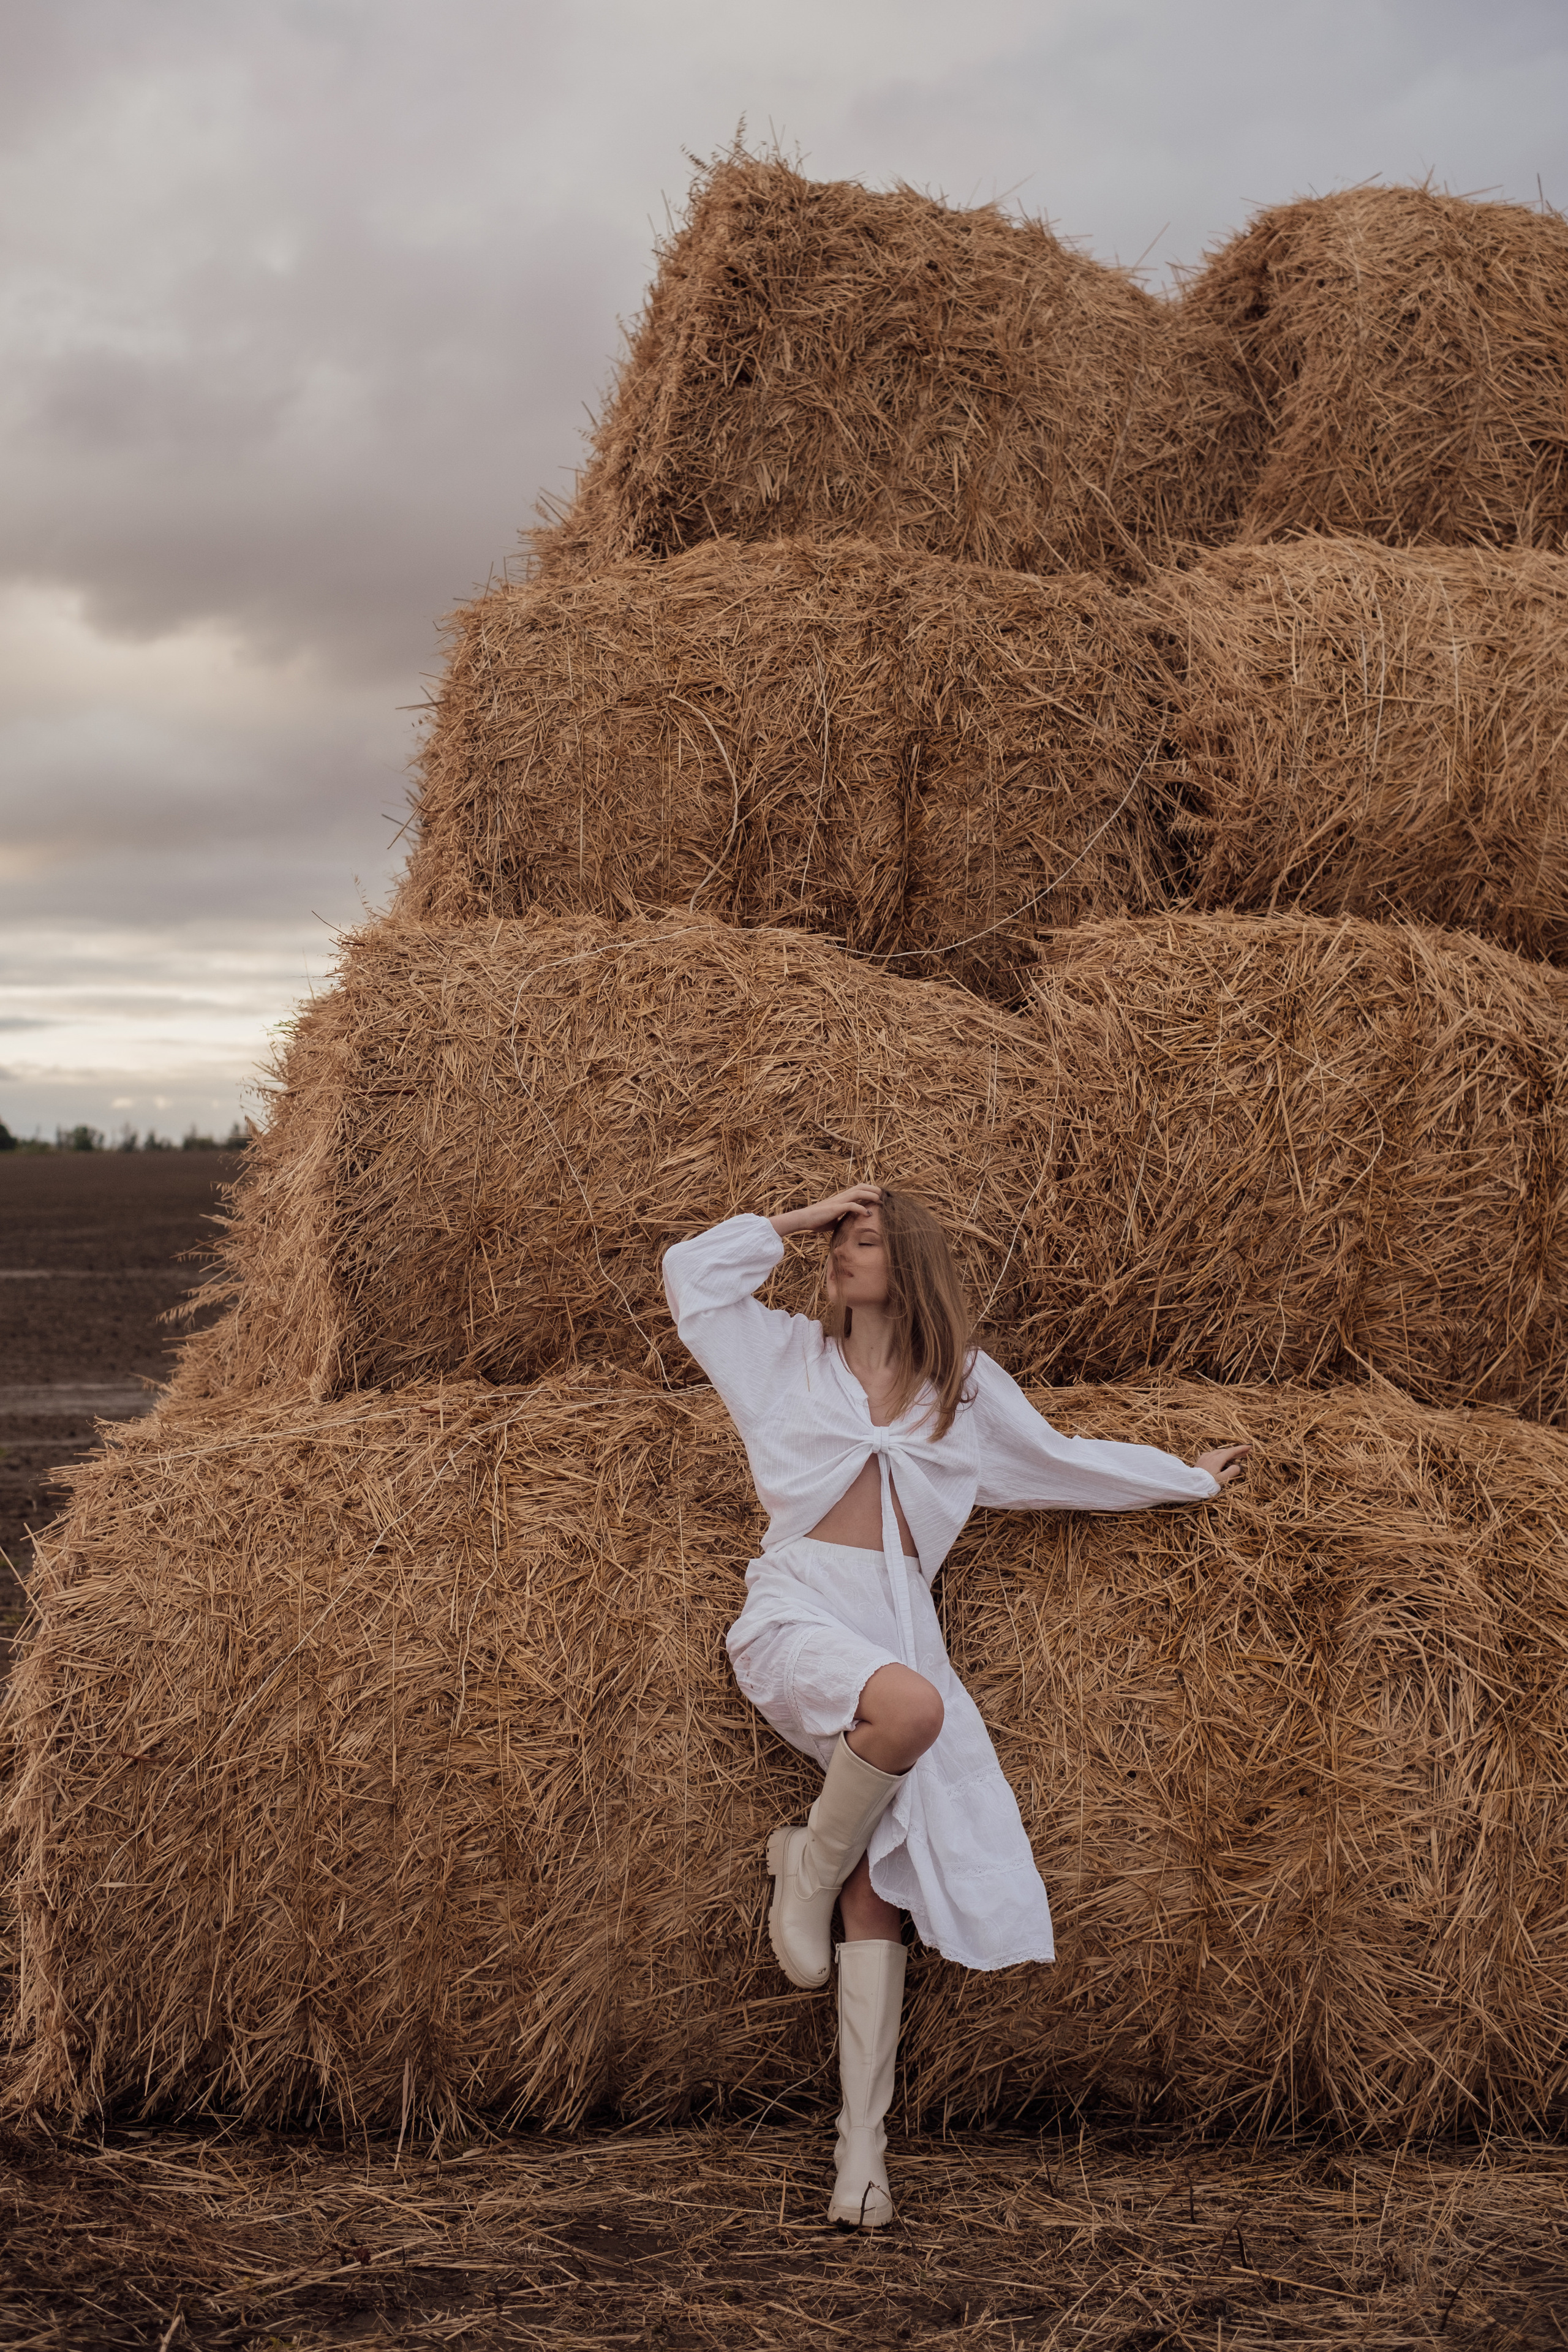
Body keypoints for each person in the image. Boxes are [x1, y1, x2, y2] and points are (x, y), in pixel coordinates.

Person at [662, 1186, 1248, 2230]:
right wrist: (805, 1215)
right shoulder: (783, 1356)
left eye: (868, 1241)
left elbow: (1061, 1463)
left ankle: (861, 2155)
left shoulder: (962, 1391)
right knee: (912, 1714)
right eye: (838, 1243)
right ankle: (805, 1861)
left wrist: (1186, 1481)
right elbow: (689, 1277)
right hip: (799, 1607)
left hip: (899, 1624)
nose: (844, 1255)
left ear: (914, 1264)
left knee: (884, 1885)